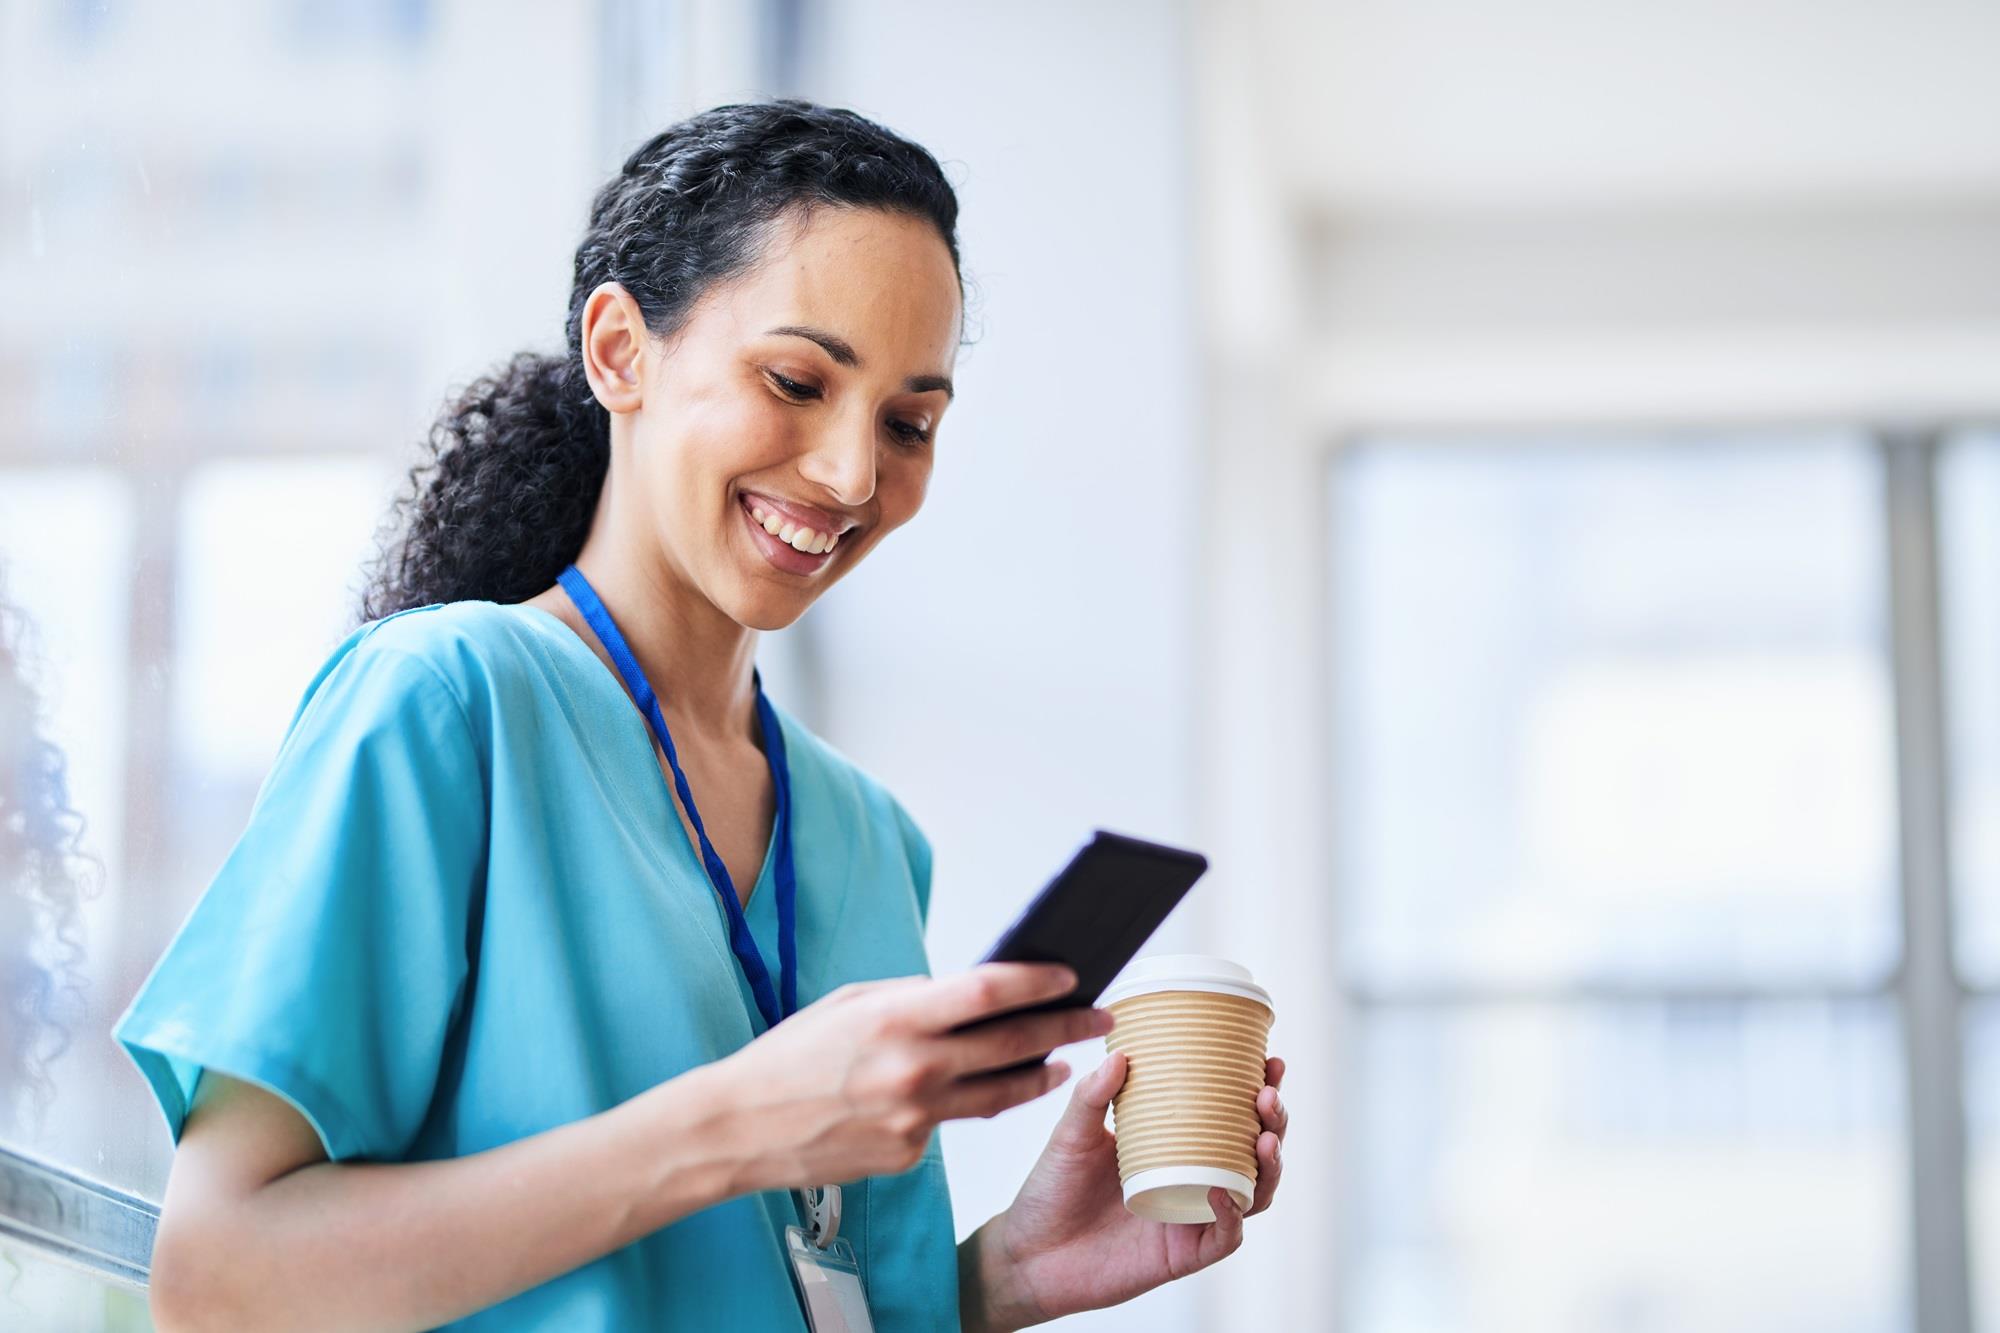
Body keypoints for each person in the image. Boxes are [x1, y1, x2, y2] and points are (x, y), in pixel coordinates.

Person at [113, 98, 1290, 1331]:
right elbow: (219, 1279)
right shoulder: (442, 705)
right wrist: (738, 1123)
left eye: (907, 424)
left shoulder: (866, 837)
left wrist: (1005, 1276)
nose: (849, 475)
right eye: (794, 380)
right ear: (620, 351)